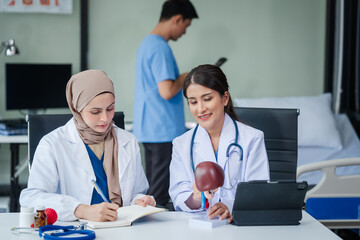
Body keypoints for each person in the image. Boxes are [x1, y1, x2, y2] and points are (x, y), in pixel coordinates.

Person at [20, 70, 155, 222]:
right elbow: (31, 198)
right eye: (95, 111)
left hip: (120, 228)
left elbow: (137, 192)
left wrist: (141, 201)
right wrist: (79, 210)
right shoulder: (53, 144)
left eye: (110, 109)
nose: (105, 118)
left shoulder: (128, 141)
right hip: (75, 231)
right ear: (77, 109)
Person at [169, 64, 270, 222]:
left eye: (207, 99)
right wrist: (196, 196)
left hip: (239, 225)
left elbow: (258, 194)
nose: (200, 108)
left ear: (225, 98)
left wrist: (229, 205)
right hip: (198, 227)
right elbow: (178, 197)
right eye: (193, 102)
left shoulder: (252, 139)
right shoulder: (181, 144)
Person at [133, 0, 198, 207]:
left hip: (150, 129)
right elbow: (167, 90)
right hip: (162, 131)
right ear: (177, 19)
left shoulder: (147, 44)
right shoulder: (160, 48)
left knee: (153, 191)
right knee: (159, 197)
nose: (184, 32)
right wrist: (186, 77)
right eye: (185, 26)